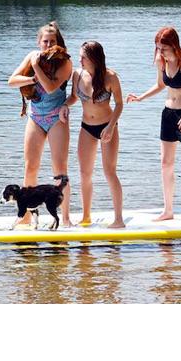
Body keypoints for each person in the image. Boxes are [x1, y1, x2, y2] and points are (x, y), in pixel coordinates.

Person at [126, 26, 181, 225]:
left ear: (174, 46)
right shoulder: (160, 61)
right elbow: (161, 85)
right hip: (168, 114)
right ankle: (168, 210)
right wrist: (141, 97)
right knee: (165, 163)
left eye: (164, 48)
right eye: (158, 48)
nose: (160, 52)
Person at [8, 21, 73, 226]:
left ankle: (66, 218)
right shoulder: (31, 56)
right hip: (35, 117)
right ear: (39, 42)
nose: (48, 45)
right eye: (45, 41)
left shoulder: (65, 62)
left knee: (60, 171)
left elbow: (52, 88)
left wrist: (36, 68)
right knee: (30, 167)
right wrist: (30, 79)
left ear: (58, 42)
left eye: (52, 41)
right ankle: (27, 216)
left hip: (56, 118)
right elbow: (12, 80)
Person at [60, 41, 125, 228]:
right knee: (84, 173)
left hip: (107, 126)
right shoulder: (77, 75)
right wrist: (64, 105)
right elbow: (74, 97)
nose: (79, 60)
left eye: (83, 57)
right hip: (87, 128)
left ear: (94, 59)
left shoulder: (111, 77)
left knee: (109, 172)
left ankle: (118, 219)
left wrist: (111, 127)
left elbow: (119, 104)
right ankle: (86, 216)